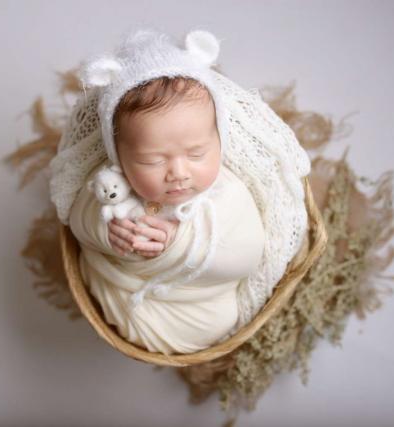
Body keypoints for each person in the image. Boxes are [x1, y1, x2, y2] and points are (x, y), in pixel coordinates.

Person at [49, 29, 310, 355]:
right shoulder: (110, 184)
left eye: (197, 154)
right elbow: (77, 221)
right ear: (118, 154)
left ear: (221, 140)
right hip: (117, 294)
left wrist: (180, 244)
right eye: (151, 160)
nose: (178, 173)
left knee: (219, 316)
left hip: (198, 308)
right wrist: (106, 232)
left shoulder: (227, 194)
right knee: (94, 261)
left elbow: (247, 257)